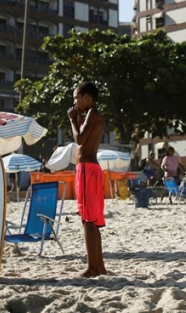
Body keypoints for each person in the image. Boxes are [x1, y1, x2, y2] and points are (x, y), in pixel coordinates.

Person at [67, 82, 107, 277]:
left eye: (76, 97)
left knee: (87, 220)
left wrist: (71, 120)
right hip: (92, 169)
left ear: (87, 97)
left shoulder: (93, 113)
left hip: (86, 169)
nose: (74, 102)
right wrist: (77, 118)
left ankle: (92, 267)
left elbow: (80, 139)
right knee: (92, 221)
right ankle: (99, 266)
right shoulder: (93, 115)